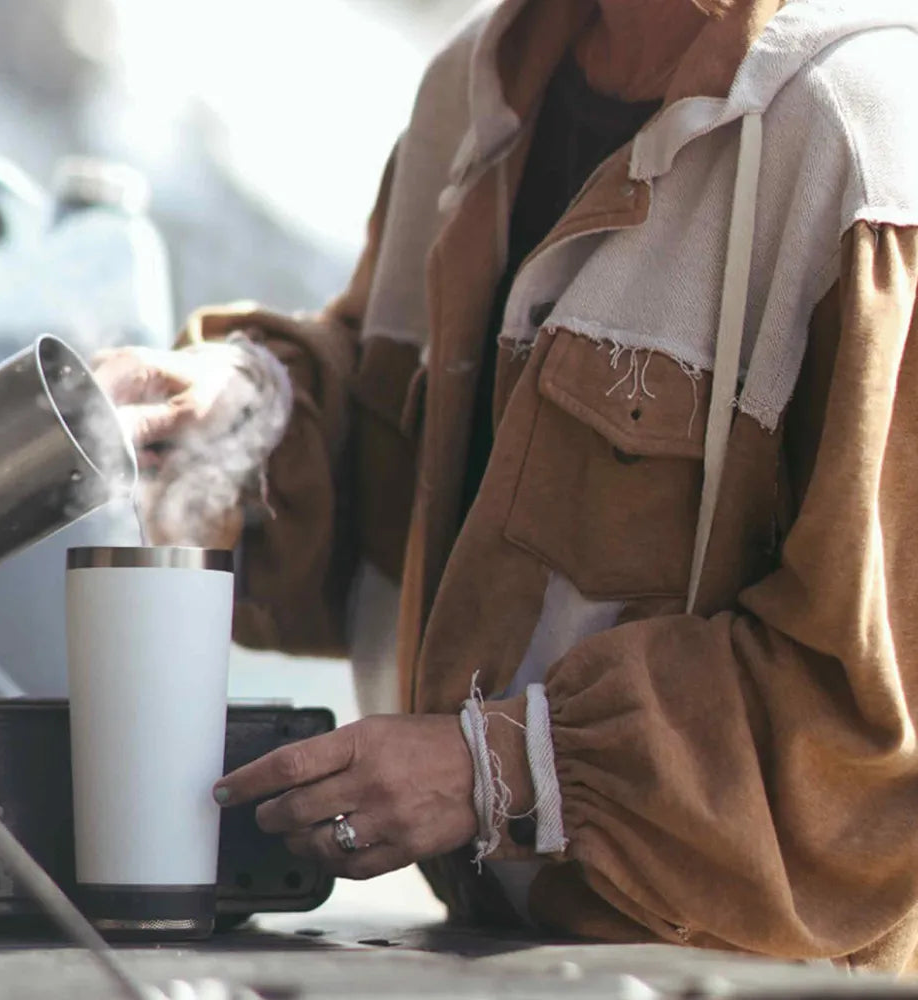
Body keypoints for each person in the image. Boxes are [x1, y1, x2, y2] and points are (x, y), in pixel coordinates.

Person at [94, 0, 918, 971]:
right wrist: (245, 414)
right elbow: (412, 481)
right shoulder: (474, 88)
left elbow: (872, 733)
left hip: (746, 973)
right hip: (483, 953)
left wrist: (507, 768)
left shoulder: (863, 143)